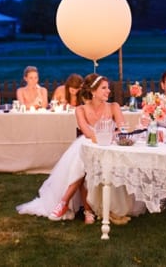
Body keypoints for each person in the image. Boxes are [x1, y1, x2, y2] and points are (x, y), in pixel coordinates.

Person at [17, 73, 131, 225]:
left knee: (82, 164)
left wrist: (107, 136)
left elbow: (122, 131)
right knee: (83, 161)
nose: (108, 91)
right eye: (104, 88)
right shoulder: (81, 110)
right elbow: (88, 133)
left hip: (109, 148)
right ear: (93, 91)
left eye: (108, 88)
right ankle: (84, 209)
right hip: (87, 145)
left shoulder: (114, 107)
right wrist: (107, 135)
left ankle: (66, 203)